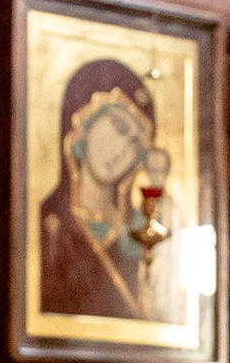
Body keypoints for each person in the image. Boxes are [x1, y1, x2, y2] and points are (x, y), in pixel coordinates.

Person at [40, 58, 162, 318]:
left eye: (134, 144)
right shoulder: (45, 222)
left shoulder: (139, 235)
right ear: (83, 123)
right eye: (118, 128)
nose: (122, 151)